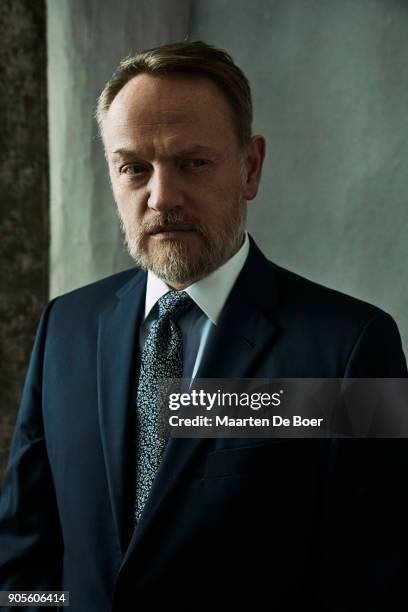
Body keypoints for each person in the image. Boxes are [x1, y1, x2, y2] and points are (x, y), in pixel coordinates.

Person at [0, 40, 407, 612]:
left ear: (250, 166)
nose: (162, 197)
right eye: (134, 168)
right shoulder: (65, 326)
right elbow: (26, 558)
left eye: (192, 162)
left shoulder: (352, 347)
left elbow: (372, 585)